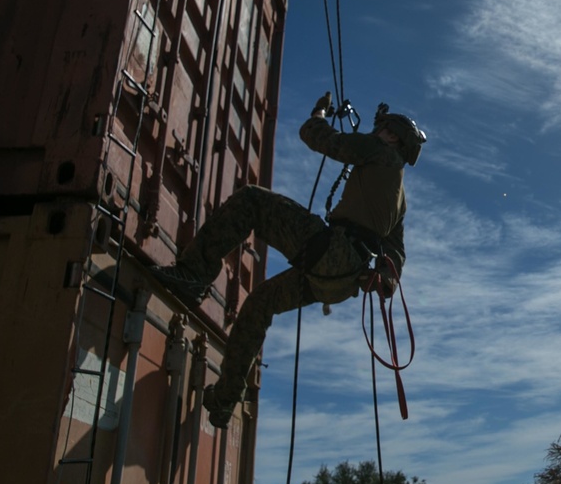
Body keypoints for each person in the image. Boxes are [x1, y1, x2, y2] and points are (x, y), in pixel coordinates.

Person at [151, 93, 426, 428]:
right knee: (259, 304)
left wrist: (318, 112)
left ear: (392, 136)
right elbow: (396, 253)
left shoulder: (379, 152)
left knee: (252, 200)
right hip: (340, 281)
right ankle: (223, 401)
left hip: (331, 251)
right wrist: (384, 280)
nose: (376, 132)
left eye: (381, 128)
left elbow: (317, 137)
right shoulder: (399, 197)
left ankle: (193, 275)